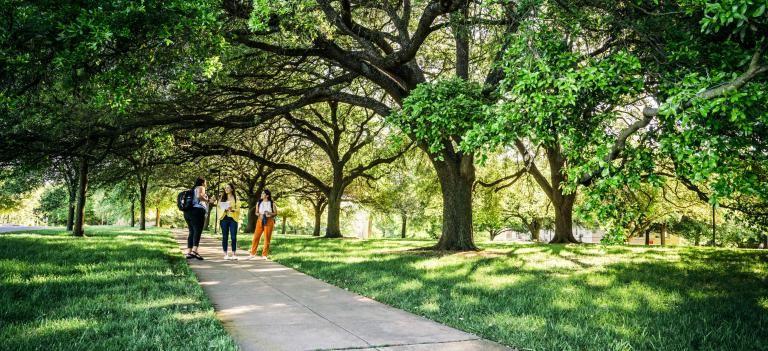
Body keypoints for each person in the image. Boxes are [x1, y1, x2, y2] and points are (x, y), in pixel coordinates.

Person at [184, 177, 209, 260]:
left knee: (191, 232)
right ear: (202, 183)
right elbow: (199, 196)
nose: (206, 184)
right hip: (197, 212)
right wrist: (207, 200)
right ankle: (195, 251)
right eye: (205, 182)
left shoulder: (192, 189)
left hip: (188, 212)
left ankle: (189, 252)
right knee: (197, 231)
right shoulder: (201, 187)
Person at [249, 189, 278, 259]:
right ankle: (252, 253)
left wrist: (269, 213)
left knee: (267, 239)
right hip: (260, 220)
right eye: (261, 193)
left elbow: (275, 213)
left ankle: (264, 255)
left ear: (267, 195)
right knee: (256, 237)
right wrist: (259, 215)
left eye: (263, 194)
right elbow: (256, 212)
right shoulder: (258, 203)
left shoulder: (272, 203)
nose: (261, 195)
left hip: (269, 221)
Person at [219, 183, 241, 260]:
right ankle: (225, 254)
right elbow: (219, 207)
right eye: (225, 188)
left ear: (232, 189)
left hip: (233, 219)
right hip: (224, 218)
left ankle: (234, 254)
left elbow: (238, 209)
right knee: (225, 236)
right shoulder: (222, 197)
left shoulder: (236, 198)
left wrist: (232, 209)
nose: (226, 189)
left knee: (233, 237)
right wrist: (224, 209)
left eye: (228, 188)